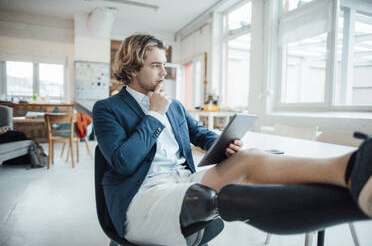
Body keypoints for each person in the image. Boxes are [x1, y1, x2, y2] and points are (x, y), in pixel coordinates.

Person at [93, 34, 372, 246]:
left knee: (248, 159)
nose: (164, 74)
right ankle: (357, 206)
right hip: (141, 198)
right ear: (131, 69)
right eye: (156, 66)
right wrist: (154, 115)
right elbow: (123, 162)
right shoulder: (108, 109)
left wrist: (223, 143)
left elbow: (200, 134)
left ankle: (351, 168)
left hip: (180, 181)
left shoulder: (173, 105)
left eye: (164, 66)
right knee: (211, 198)